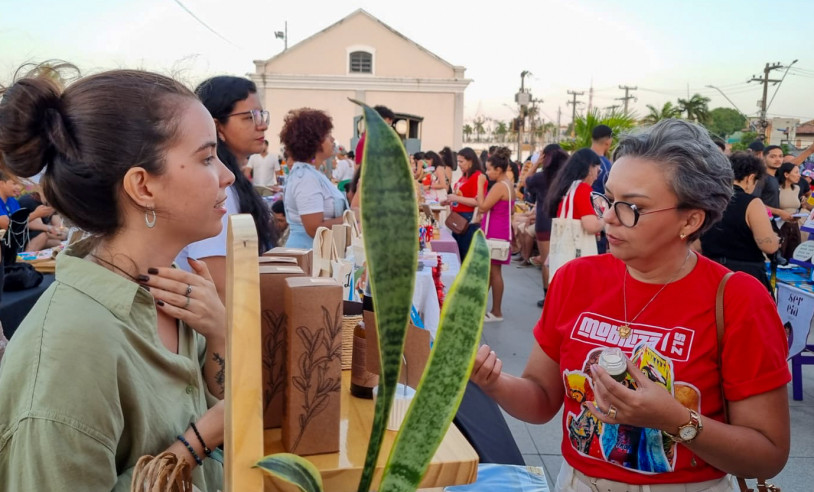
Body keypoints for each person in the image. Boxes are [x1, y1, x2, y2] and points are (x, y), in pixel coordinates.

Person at [471, 119, 790, 491]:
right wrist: (492, 382)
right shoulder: (575, 279)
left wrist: (675, 420)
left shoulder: (737, 299)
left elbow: (767, 453)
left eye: (631, 207)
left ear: (690, 219)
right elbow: (541, 400)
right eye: (607, 198)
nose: (607, 216)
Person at [0, 67, 230, 490]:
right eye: (206, 157)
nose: (227, 176)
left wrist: (219, 334)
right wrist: (192, 447)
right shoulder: (68, 354)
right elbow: (214, 429)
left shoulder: (174, 287)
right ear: (143, 186)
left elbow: (221, 406)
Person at [176, 76, 276, 301]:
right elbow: (217, 282)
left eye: (261, 114)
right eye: (249, 117)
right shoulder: (216, 185)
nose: (262, 124)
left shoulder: (232, 180)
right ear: (216, 125)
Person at [700, 152, 779, 292]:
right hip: (745, 276)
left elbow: (696, 245)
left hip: (710, 272)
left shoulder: (708, 201)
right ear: (750, 178)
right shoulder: (752, 203)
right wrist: (776, 239)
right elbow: (768, 246)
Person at [280, 108, 348, 249]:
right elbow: (314, 228)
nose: (332, 139)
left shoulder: (311, 173)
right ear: (315, 141)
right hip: (308, 255)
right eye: (327, 135)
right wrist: (352, 218)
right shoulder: (305, 177)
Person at [545, 148, 603, 282]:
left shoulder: (566, 188)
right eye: (597, 171)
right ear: (590, 168)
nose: (596, 177)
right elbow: (591, 226)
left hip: (562, 254)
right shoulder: (582, 189)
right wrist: (605, 218)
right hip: (577, 254)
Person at [525, 144, 569, 307]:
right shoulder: (567, 177)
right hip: (563, 223)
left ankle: (547, 295)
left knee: (546, 261)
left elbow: (526, 183)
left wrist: (535, 165)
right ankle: (561, 294)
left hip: (544, 223)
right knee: (562, 260)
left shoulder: (540, 177)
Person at [479, 147, 514, 323]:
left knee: (494, 273)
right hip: (500, 231)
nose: (487, 173)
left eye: (489, 169)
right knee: (492, 272)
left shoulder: (500, 186)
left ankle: (496, 311)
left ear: (498, 170)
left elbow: (483, 206)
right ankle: (487, 308)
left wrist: (480, 185)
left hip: (495, 233)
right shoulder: (508, 184)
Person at [443, 147, 487, 260]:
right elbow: (461, 195)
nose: (459, 165)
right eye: (458, 161)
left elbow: (477, 201)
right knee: (458, 253)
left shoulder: (477, 176)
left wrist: (456, 198)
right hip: (458, 217)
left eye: (461, 161)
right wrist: (450, 200)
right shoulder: (465, 175)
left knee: (465, 254)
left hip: (468, 219)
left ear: (471, 161)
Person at [751, 144, 790, 223]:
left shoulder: (774, 178)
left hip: (774, 221)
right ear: (764, 158)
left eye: (780, 156)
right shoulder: (761, 178)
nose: (778, 159)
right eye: (773, 156)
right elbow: (753, 202)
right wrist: (779, 212)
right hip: (761, 221)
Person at [776, 161, 803, 259]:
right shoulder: (776, 189)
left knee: (793, 254)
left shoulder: (797, 188)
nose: (799, 175)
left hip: (794, 225)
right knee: (780, 254)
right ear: (786, 174)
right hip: (780, 226)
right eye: (796, 172)